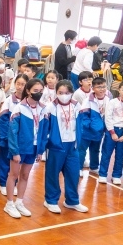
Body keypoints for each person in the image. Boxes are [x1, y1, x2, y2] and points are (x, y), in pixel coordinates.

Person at [3, 78, 48, 219]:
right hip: (20, 147)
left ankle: (19, 202)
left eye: (41, 91)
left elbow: (44, 131)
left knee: (25, 175)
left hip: (33, 148)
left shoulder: (43, 108)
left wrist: (40, 150)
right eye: (35, 90)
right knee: (13, 175)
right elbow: (12, 132)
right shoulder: (19, 108)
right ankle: (9, 203)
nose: (39, 93)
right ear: (28, 91)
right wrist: (15, 151)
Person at [43, 80, 88, 214]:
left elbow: (80, 123)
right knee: (52, 173)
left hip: (72, 145)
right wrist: (48, 143)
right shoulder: (50, 107)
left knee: (73, 173)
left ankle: (72, 201)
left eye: (67, 93)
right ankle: (50, 200)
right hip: (56, 145)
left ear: (71, 93)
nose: (64, 95)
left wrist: (78, 139)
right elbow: (45, 128)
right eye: (60, 92)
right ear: (56, 92)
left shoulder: (76, 105)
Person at [99, 80, 123, 185]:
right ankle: (102, 174)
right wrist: (112, 132)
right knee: (106, 153)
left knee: (120, 155)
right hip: (112, 130)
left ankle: (116, 175)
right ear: (119, 90)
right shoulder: (112, 102)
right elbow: (108, 118)